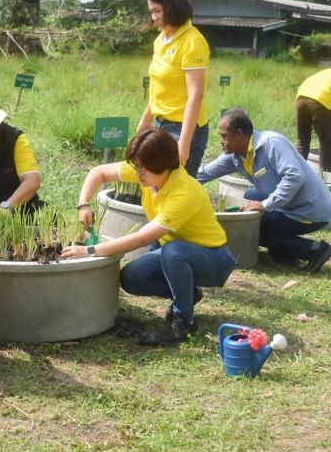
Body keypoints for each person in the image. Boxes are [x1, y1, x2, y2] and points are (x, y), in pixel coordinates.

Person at [63, 128, 234, 346]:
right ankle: (188, 295)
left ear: (162, 163)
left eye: (142, 169)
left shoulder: (183, 192)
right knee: (132, 278)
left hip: (213, 259)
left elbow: (143, 238)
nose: (137, 174)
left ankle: (184, 322)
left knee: (174, 251)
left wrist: (88, 251)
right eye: (136, 167)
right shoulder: (147, 173)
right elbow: (99, 172)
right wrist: (84, 203)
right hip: (179, 253)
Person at [196, 109, 331, 272]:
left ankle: (314, 250)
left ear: (239, 134)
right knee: (250, 196)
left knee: (254, 230)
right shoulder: (235, 155)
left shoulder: (271, 143)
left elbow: (294, 177)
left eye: (224, 136)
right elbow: (204, 173)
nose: (221, 141)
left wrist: (265, 205)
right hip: (289, 202)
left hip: (309, 208)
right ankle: (283, 252)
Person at [137, 0, 210, 177]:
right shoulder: (161, 40)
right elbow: (159, 88)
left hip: (183, 129)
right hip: (160, 125)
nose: (154, 17)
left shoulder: (192, 42)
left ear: (173, 6)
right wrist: (144, 124)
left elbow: (196, 96)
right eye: (151, 12)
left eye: (158, 11)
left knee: (176, 191)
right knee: (155, 185)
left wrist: (183, 145)